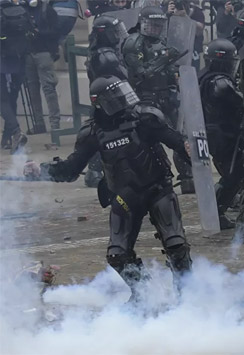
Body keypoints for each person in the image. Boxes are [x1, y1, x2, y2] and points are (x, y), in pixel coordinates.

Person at [24, 76, 194, 303]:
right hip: (125, 197)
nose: (122, 99)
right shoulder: (92, 133)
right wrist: (41, 170)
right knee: (118, 255)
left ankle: (188, 296)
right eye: (115, 96)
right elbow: (71, 169)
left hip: (158, 188)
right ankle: (144, 294)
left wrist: (191, 150)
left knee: (176, 244)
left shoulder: (145, 117)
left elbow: (176, 141)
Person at [122, 6, 195, 194]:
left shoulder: (162, 42)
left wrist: (177, 75)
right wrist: (164, 59)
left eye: (159, 25)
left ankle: (189, 177)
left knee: (182, 137)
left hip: (167, 96)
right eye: (151, 25)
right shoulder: (133, 43)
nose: (155, 29)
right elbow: (140, 74)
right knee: (149, 141)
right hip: (145, 99)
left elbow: (169, 70)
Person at [198, 39, 244, 230]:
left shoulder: (204, 76)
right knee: (234, 174)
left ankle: (217, 211)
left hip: (216, 132)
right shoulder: (220, 82)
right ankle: (216, 212)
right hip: (222, 134)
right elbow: (240, 102)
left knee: (233, 174)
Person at [83, 14, 129, 188]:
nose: (118, 34)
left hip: (109, 100)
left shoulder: (101, 50)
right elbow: (124, 75)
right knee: (102, 134)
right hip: (108, 102)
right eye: (115, 31)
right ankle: (94, 171)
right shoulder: (106, 56)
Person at [0, 0, 33, 153]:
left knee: (2, 100)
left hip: (2, 59)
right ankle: (7, 138)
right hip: (19, 60)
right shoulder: (21, 10)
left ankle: (15, 132)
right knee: (12, 98)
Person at [25, 0, 62, 132]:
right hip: (29, 53)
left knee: (49, 89)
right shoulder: (23, 10)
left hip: (44, 53)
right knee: (32, 91)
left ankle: (55, 125)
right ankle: (39, 124)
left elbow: (56, 31)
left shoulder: (47, 10)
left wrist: (38, 32)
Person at [166, 0, 205, 71]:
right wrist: (168, 14)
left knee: (192, 73)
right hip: (173, 48)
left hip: (192, 48)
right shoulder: (168, 10)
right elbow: (161, 29)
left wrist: (186, 17)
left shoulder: (196, 11)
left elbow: (199, 30)